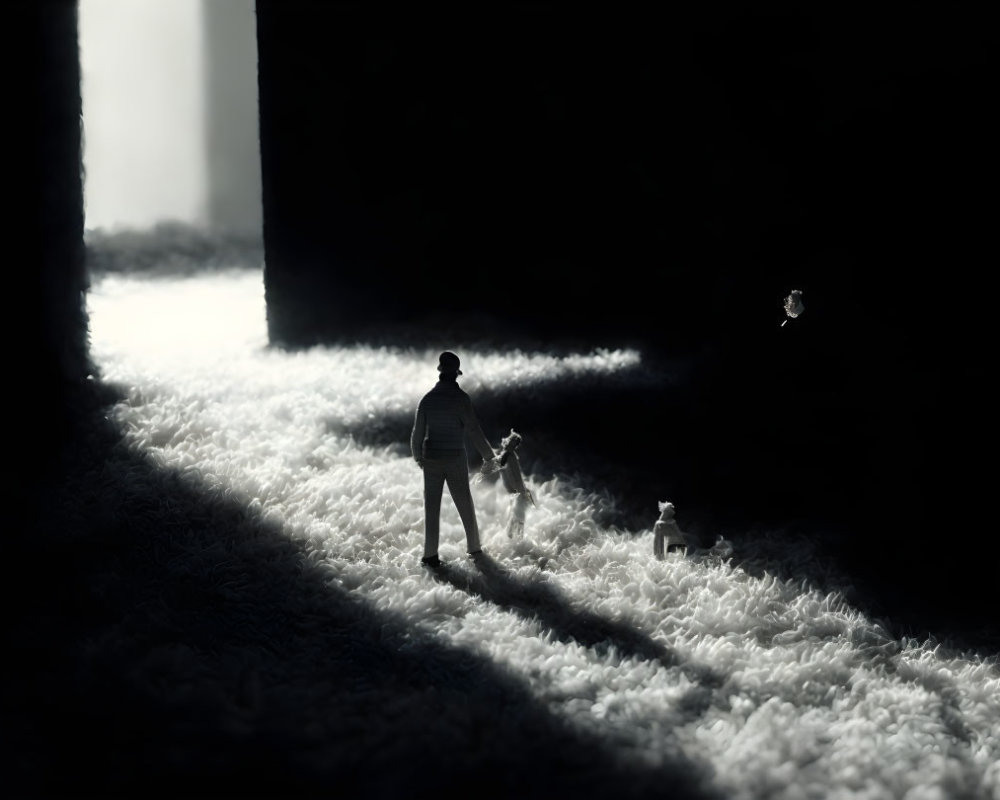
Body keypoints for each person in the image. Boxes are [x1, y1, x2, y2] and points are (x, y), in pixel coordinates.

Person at [411, 351, 496, 568]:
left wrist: (418, 457)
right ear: (456, 375)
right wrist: (489, 456)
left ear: (440, 373)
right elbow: (474, 430)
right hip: (455, 457)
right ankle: (474, 549)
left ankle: (430, 556)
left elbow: (417, 433)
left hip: (431, 458)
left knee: (431, 508)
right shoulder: (461, 399)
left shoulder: (427, 399)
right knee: (464, 503)